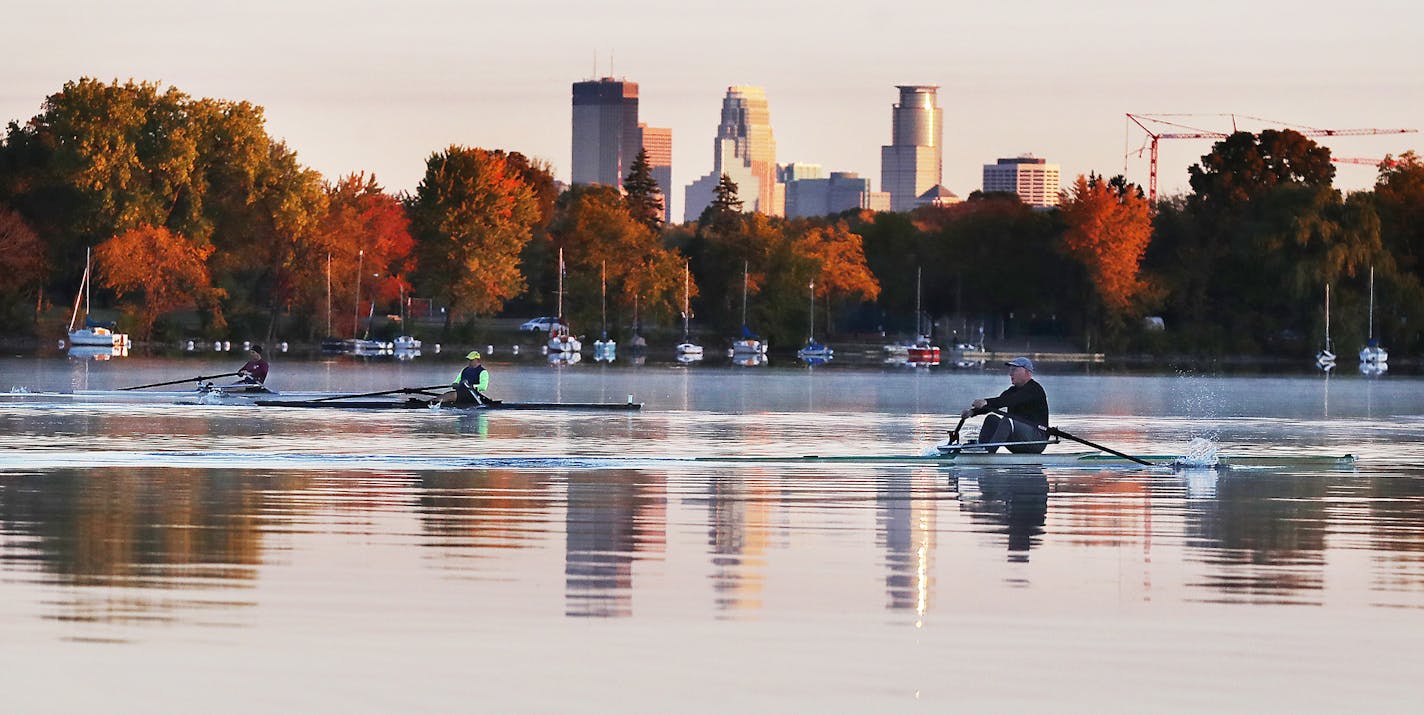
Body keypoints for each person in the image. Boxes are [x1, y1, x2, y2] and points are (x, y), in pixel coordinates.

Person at [959, 356, 1049, 453]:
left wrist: (986, 401)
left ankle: (988, 453)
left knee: (1007, 421)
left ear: (1027, 373)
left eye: (1014, 370)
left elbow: (1010, 400)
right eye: (1010, 370)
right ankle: (982, 449)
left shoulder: (1034, 390)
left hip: (1036, 441)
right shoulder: (1012, 391)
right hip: (1019, 440)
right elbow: (998, 403)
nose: (1010, 374)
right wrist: (972, 412)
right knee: (991, 419)